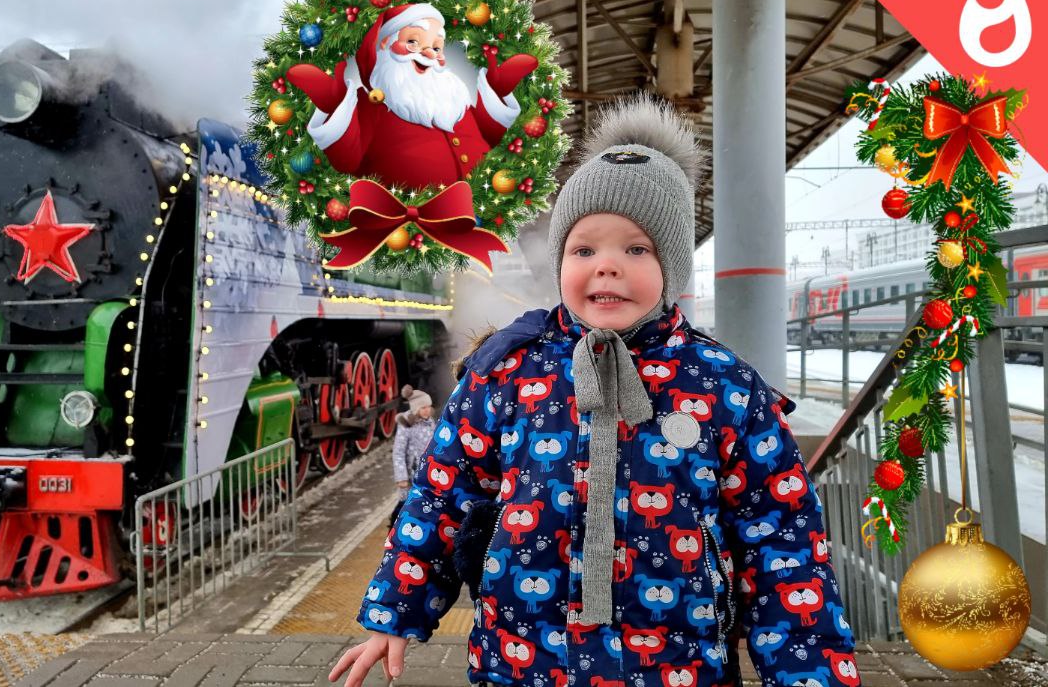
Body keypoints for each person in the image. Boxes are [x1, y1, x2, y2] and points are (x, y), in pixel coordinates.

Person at [329, 94, 861, 687]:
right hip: (523, 663)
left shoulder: (724, 385)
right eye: (584, 249)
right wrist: (393, 613)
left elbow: (781, 540)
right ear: (560, 263)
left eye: (637, 249)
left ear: (674, 268)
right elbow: (442, 497)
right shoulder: (506, 372)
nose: (607, 266)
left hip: (678, 668)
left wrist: (810, 673)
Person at [286, 2, 538, 190]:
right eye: (414, 42)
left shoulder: (453, 100)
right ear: (385, 45)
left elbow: (489, 134)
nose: (429, 54)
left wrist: (496, 91)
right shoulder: (374, 106)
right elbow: (346, 159)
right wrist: (335, 105)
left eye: (437, 47)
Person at [388, 387, 437, 531]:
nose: (427, 410)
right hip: (410, 474)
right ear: (415, 409)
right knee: (405, 503)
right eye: (423, 408)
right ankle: (394, 528)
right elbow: (398, 452)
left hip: (426, 472)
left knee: (423, 502)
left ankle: (419, 529)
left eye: (428, 407)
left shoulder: (430, 422)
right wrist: (401, 477)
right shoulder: (406, 425)